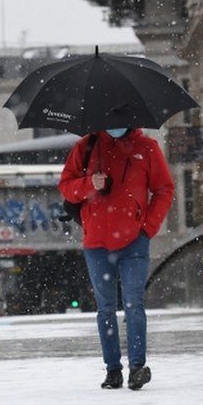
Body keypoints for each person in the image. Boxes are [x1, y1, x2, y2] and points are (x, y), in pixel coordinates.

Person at [59, 127, 175, 390]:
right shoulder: (86, 146)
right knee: (106, 309)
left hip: (134, 241)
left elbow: (164, 189)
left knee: (135, 303)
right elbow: (66, 188)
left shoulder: (146, 147)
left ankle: (137, 367)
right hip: (97, 243)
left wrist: (147, 229)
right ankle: (113, 370)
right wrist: (90, 183)